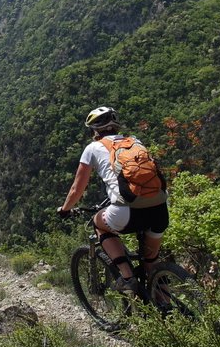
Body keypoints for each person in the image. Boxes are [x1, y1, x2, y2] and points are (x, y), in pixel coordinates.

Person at [57, 106, 168, 293]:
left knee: (98, 223)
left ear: (94, 130)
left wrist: (65, 209)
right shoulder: (135, 142)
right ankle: (168, 309)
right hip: (160, 208)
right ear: (116, 126)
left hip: (125, 212)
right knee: (151, 261)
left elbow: (77, 188)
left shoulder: (92, 148)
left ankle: (127, 277)